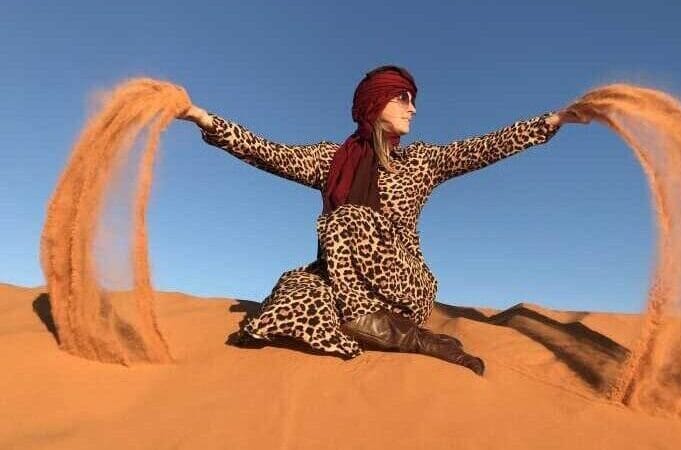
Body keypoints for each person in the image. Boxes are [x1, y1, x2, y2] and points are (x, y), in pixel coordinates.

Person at [179, 65, 582, 376]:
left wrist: (550, 122)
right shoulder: (331, 159)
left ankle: (373, 322)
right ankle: (412, 339)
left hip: (402, 283)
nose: (414, 108)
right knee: (290, 297)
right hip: (345, 282)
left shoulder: (422, 161)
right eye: (402, 98)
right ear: (375, 104)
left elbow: (482, 148)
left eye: (413, 99)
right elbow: (269, 152)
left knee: (348, 218)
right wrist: (203, 118)